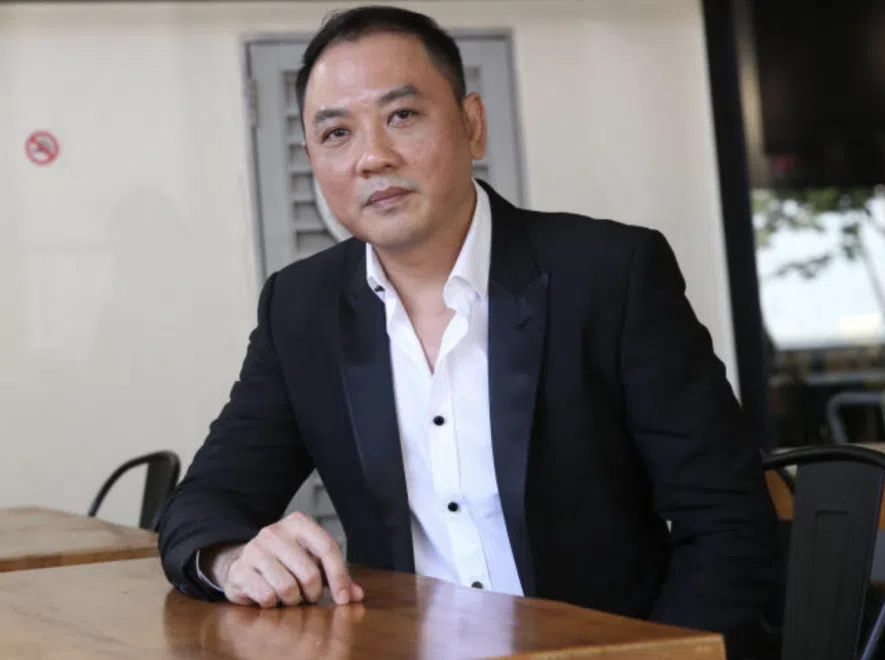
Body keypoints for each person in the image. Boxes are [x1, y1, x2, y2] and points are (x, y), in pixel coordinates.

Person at [158, 5, 778, 657]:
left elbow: (728, 520)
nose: (373, 157)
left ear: (472, 125)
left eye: (402, 115)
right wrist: (232, 559)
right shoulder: (300, 309)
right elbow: (204, 502)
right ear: (312, 159)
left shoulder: (609, 275)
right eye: (337, 133)